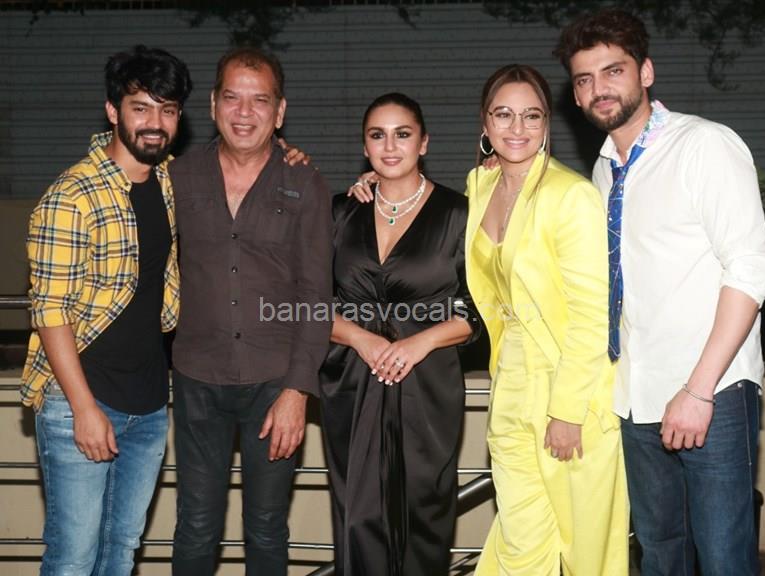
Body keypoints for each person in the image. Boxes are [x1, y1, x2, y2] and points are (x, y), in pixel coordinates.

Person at [555, 9, 765, 575]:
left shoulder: (704, 145)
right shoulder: (604, 172)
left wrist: (698, 391)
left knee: (724, 560)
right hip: (635, 395)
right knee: (659, 555)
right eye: (585, 79)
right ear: (576, 95)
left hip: (711, 391)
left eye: (613, 71)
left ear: (646, 72)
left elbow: (751, 270)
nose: (600, 89)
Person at [22, 45, 192, 575]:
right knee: (73, 559)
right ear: (113, 111)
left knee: (120, 552)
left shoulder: (169, 182)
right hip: (82, 401)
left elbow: (239, 167)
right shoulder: (70, 197)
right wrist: (84, 409)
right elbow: (50, 312)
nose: (155, 123)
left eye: (167, 110)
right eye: (141, 108)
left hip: (149, 403)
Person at [167, 47, 332, 575]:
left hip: (274, 383)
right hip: (196, 378)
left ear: (278, 112)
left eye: (259, 100)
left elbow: (316, 294)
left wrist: (297, 391)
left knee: (266, 527)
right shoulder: (177, 177)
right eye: (232, 98)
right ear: (213, 105)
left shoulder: (305, 181)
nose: (244, 112)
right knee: (195, 525)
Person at [464, 64, 629, 575]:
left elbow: (592, 315)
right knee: (522, 542)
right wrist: (373, 186)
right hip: (509, 386)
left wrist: (567, 411)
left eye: (531, 116)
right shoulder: (479, 185)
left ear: (546, 124)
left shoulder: (570, 195)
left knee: (586, 554)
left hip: (569, 390)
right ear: (485, 124)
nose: (517, 128)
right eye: (503, 115)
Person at [320, 93, 479, 576]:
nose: (390, 147)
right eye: (377, 135)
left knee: (423, 519)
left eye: (402, 134)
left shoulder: (459, 214)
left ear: (423, 142)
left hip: (427, 386)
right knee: (357, 519)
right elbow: (306, 304)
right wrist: (361, 339)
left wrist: (420, 341)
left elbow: (481, 310)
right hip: (351, 384)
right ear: (364, 147)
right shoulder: (339, 212)